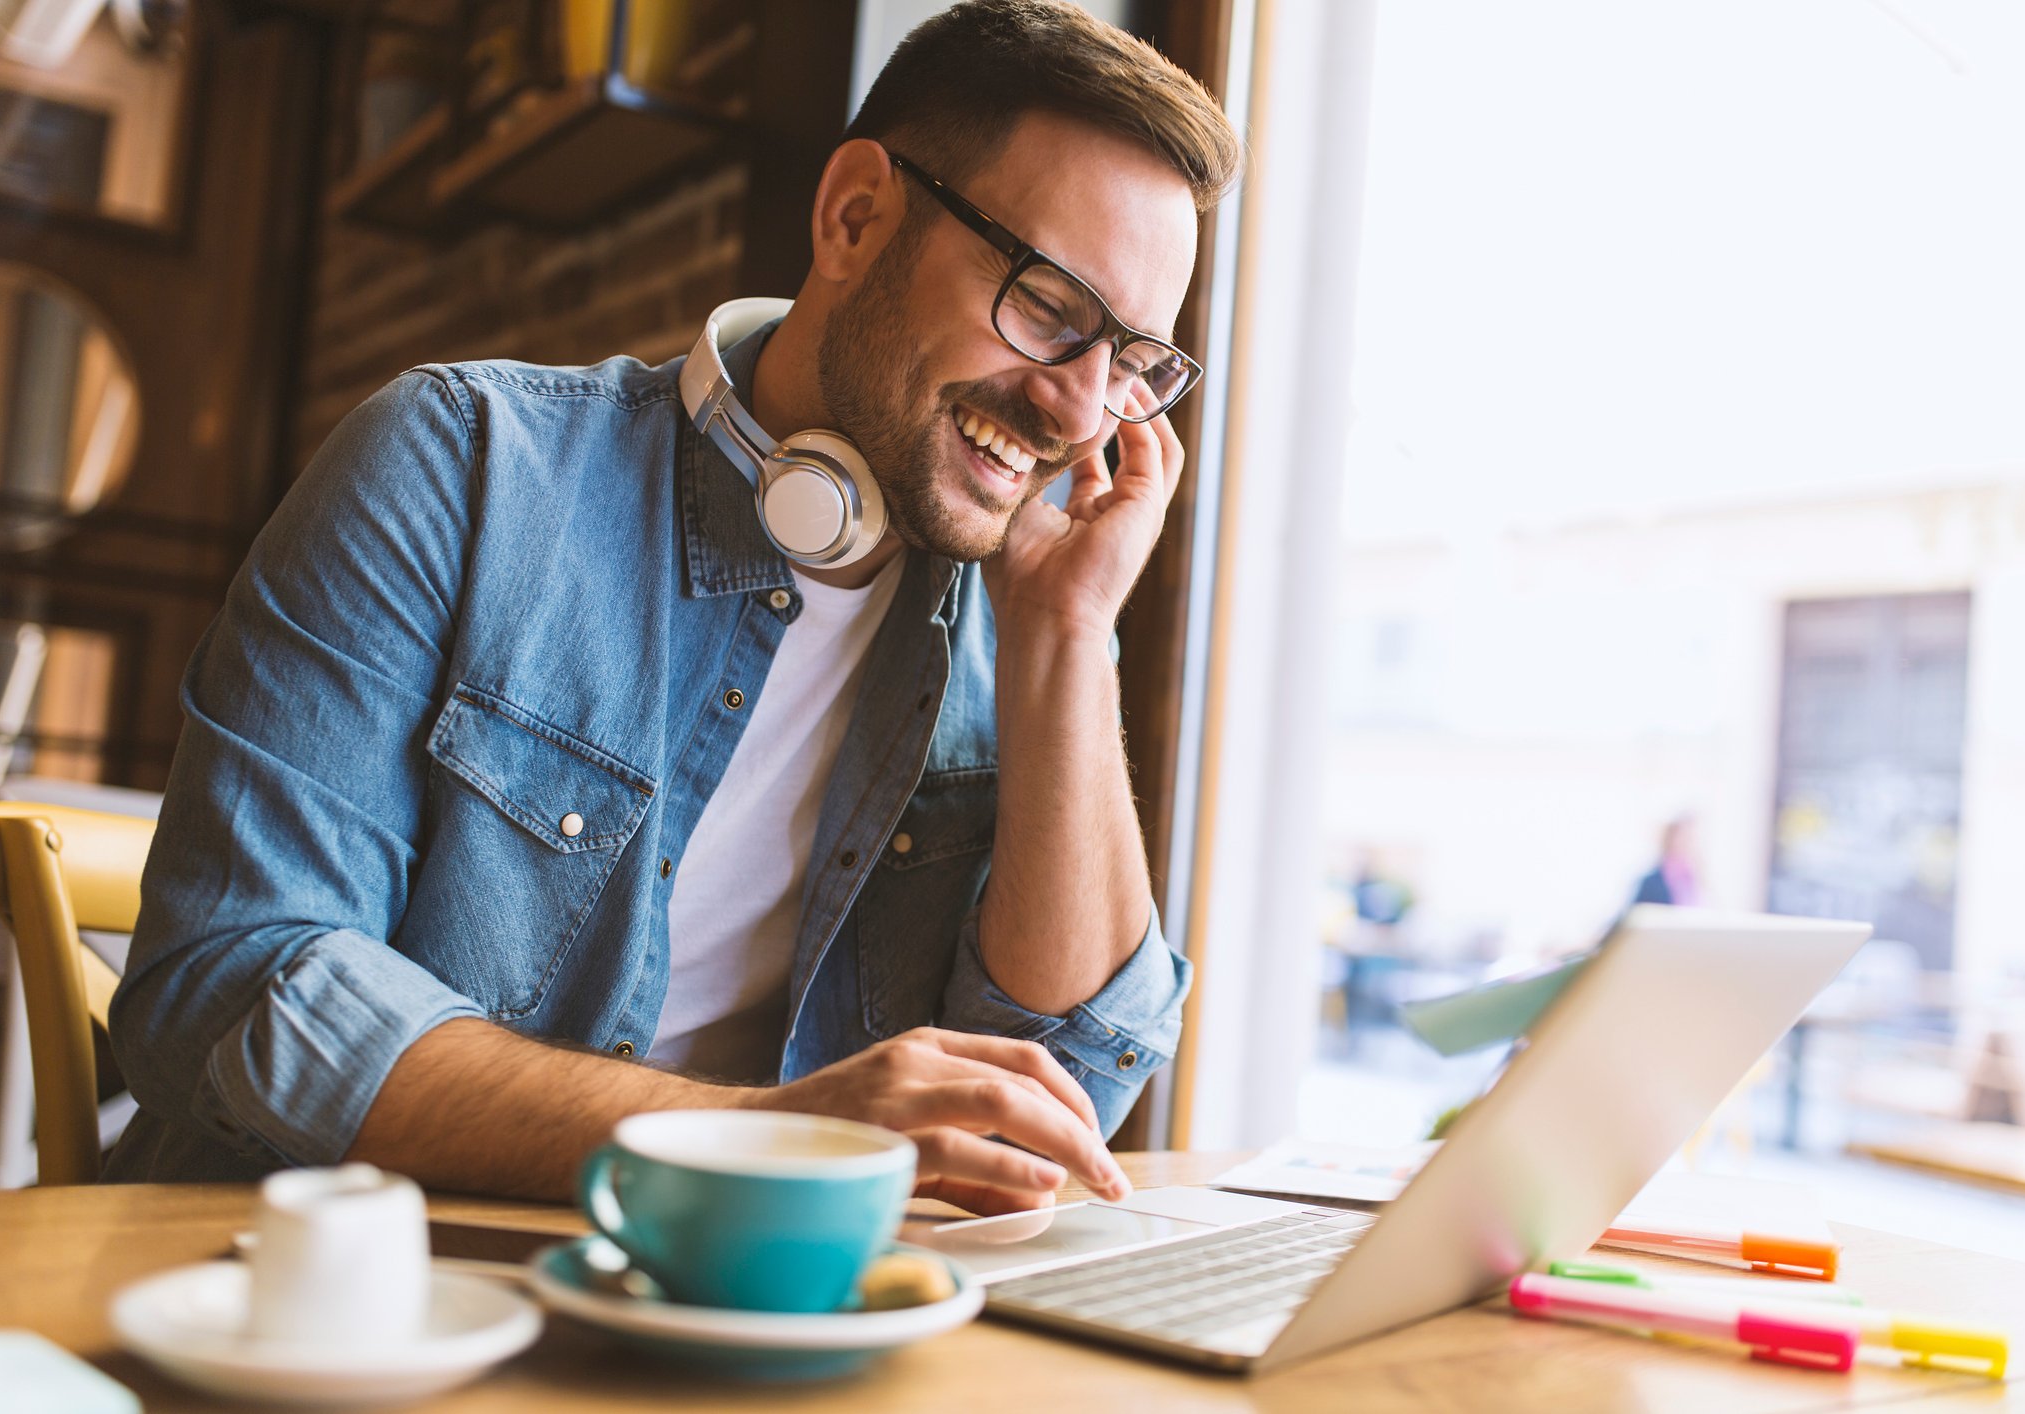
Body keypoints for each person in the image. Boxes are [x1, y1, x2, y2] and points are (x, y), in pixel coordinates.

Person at [104, 0, 1242, 1218]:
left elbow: (1061, 1098)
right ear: (856, 217)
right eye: (1050, 308)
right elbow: (232, 984)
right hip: (320, 1310)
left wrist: (1068, 640)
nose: (1080, 413)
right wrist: (762, 1135)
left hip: (724, 1333)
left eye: (1131, 362)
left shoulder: (1013, 622)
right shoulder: (461, 464)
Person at [1633, 815, 1702, 907]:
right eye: (1682, 837)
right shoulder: (1651, 882)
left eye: (1691, 838)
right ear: (1669, 840)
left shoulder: (1696, 878)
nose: (1687, 842)